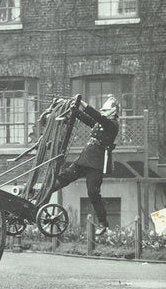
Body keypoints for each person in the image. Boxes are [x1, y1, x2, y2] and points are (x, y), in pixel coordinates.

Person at [47, 95, 120, 239]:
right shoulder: (101, 122)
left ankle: (103, 223)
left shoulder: (112, 125)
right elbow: (88, 119)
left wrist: (83, 104)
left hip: (96, 163)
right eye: (102, 109)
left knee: (93, 192)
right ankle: (43, 196)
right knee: (64, 177)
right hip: (85, 158)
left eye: (106, 109)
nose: (103, 111)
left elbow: (98, 117)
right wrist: (74, 109)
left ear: (113, 111)